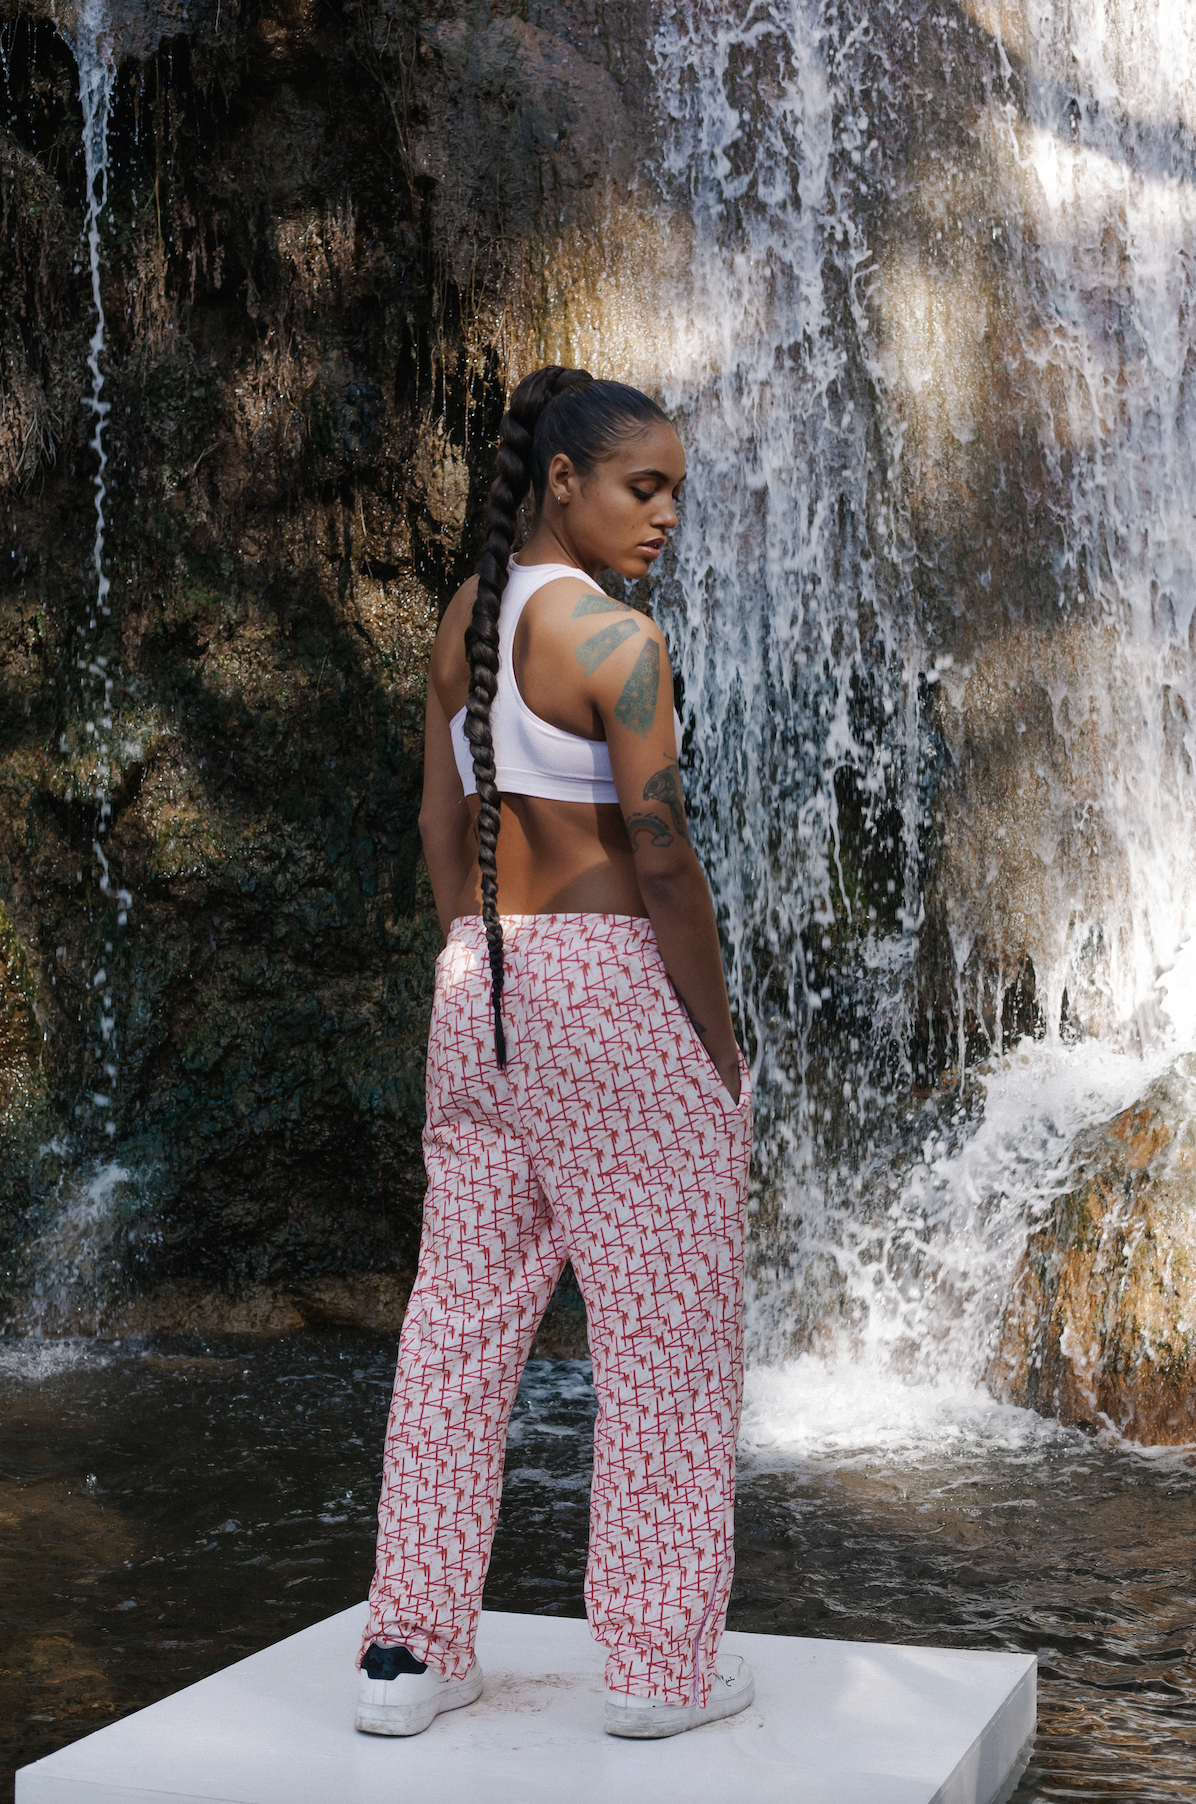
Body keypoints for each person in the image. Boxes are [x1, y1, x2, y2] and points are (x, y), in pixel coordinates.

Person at [354, 366, 754, 1742]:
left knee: (457, 1328)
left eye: (678, 495)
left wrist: (480, 960)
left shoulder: (467, 618)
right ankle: (658, 1668)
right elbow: (666, 866)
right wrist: (717, 1045)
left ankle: (409, 1654)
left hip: (480, 984)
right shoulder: (618, 644)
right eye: (644, 489)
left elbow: (433, 825)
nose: (665, 519)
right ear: (566, 481)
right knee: (665, 1335)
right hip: (611, 994)